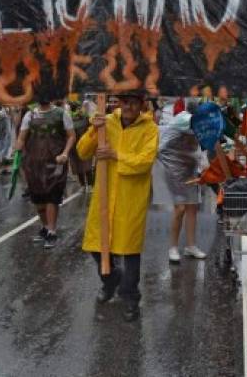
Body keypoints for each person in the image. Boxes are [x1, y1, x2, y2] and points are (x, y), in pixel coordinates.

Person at [78, 90, 159, 322]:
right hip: (104, 196)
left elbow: (144, 162)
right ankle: (111, 280)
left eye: (135, 103)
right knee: (96, 246)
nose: (130, 107)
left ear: (142, 104)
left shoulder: (149, 128)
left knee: (129, 252)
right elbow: (82, 151)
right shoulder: (106, 122)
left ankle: (131, 298)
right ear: (120, 103)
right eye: (126, 102)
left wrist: (115, 155)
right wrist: (94, 129)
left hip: (130, 199)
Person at [14, 100, 76, 250]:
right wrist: (18, 153)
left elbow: (71, 136)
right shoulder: (30, 115)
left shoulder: (62, 114)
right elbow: (22, 137)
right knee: (38, 198)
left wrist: (65, 153)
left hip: (56, 163)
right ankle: (45, 226)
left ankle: (52, 231)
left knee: (52, 195)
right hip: (34, 164)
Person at [157, 111, 207, 263]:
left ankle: (191, 246)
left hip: (190, 170)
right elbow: (161, 150)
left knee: (192, 208)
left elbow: (199, 151)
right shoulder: (180, 126)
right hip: (174, 171)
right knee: (180, 209)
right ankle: (173, 247)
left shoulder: (199, 128)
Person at [69, 100, 95, 188]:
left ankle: (87, 185)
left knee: (84, 166)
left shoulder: (84, 117)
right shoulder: (69, 118)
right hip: (76, 145)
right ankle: (85, 185)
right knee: (81, 166)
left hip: (83, 144)